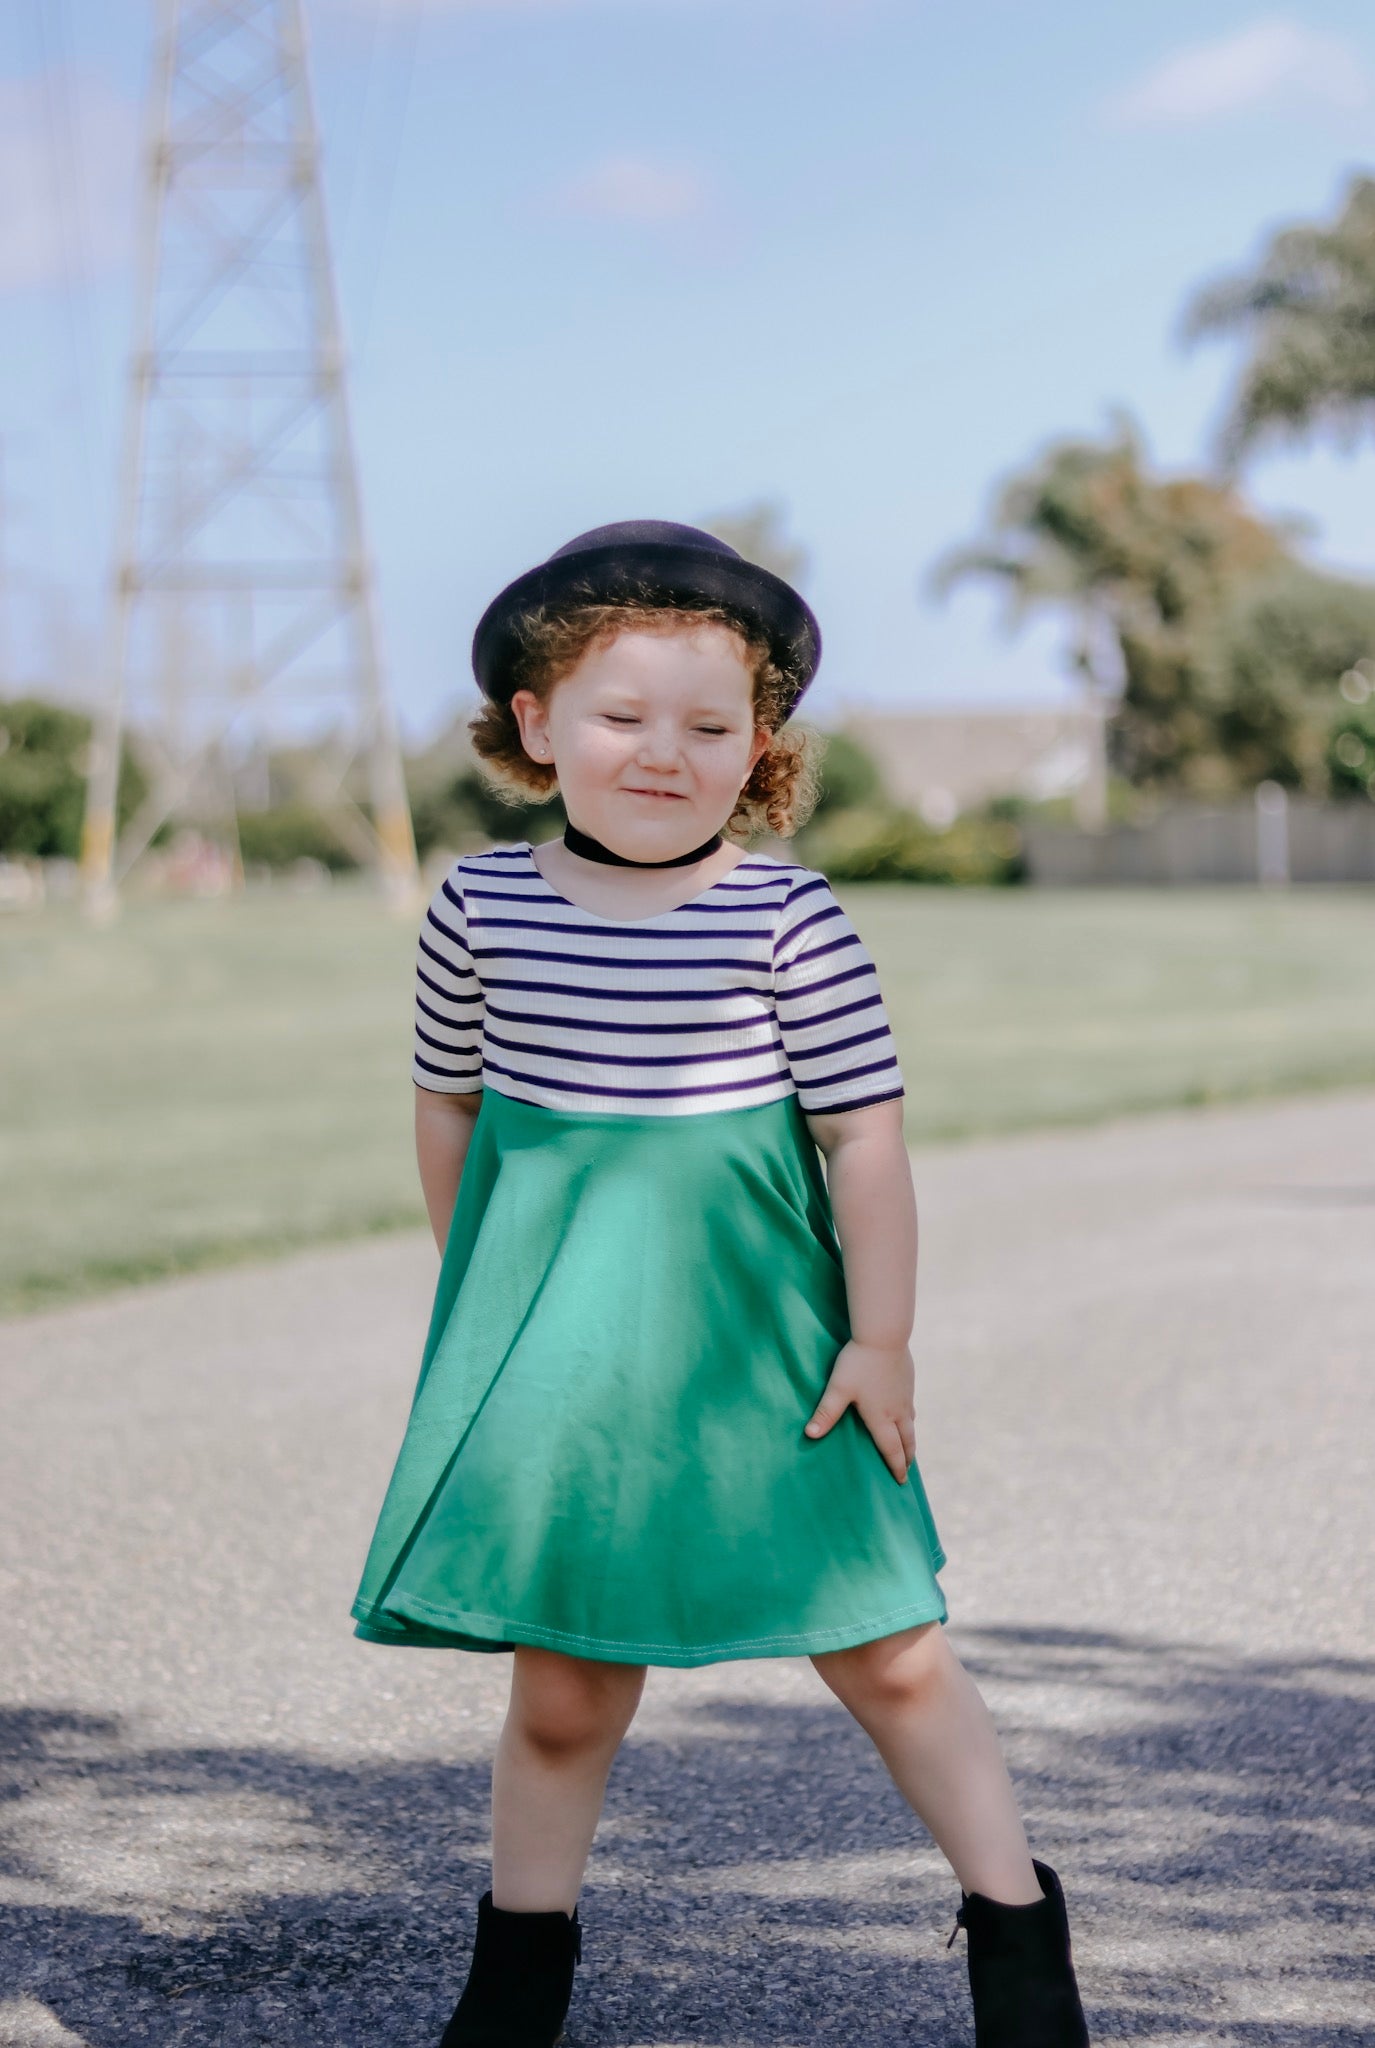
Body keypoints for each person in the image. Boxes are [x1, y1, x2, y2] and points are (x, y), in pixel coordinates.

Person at [350, 521, 1091, 2047]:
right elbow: (450, 1106)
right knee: (566, 1692)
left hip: (774, 1349)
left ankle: (1019, 1941)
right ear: (538, 728)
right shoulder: (481, 914)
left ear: (758, 746)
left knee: (888, 1649)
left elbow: (863, 1141)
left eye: (708, 725)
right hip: (563, 1357)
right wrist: (481, 1287)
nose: (663, 754)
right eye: (621, 717)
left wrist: (881, 1339)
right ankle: (515, 1983)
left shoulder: (790, 921)